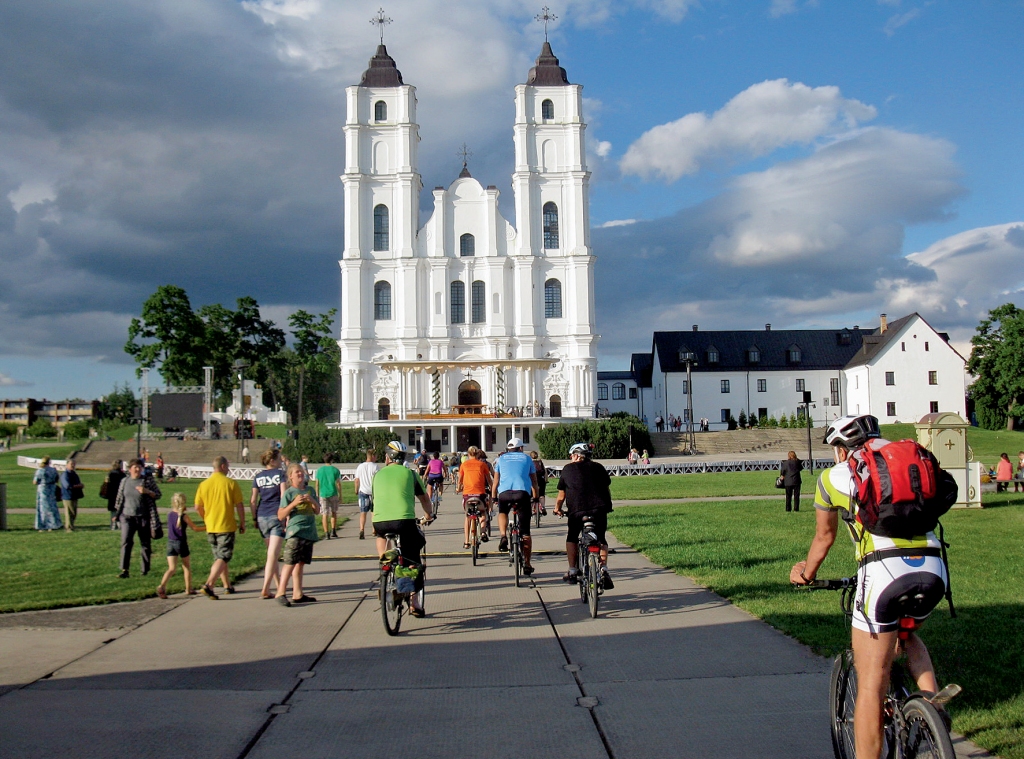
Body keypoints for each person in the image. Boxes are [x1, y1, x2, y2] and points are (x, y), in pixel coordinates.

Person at [790, 414, 950, 759]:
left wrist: (806, 573)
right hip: (935, 568)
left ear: (839, 448)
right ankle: (934, 711)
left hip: (883, 574)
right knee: (906, 636)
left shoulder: (834, 476)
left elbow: (824, 537)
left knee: (872, 680)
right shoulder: (908, 462)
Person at [372, 441, 433, 617]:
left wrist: (374, 525)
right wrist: (428, 516)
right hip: (404, 522)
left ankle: (384, 563)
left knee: (381, 535)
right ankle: (415, 603)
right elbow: (424, 500)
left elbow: (375, 503)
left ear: (387, 457)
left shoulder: (378, 475)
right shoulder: (410, 474)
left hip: (380, 522)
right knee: (413, 557)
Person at [554, 442, 614, 589]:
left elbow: (562, 495)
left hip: (577, 511)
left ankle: (573, 570)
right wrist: (607, 505)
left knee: (572, 537)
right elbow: (606, 488)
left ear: (575, 455)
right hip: (599, 509)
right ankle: (604, 569)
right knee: (601, 538)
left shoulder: (567, 469)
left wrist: (557, 509)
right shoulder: (598, 467)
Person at [194, 456, 245, 599]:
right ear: (222, 466)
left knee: (219, 557)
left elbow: (198, 506)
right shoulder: (230, 483)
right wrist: (242, 522)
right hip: (226, 525)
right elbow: (239, 505)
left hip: (211, 526)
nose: (228, 469)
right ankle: (209, 585)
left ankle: (227, 585)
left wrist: (206, 518)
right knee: (224, 556)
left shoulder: (204, 484)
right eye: (227, 466)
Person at [275, 463, 321, 607]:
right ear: (291, 476)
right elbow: (281, 515)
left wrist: (312, 500)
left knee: (300, 563)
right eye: (297, 473)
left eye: (301, 472)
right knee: (290, 562)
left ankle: (298, 593)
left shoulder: (310, 490)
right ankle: (280, 592)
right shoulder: (289, 493)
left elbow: (317, 510)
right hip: (295, 531)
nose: (300, 474)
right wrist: (294, 503)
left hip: (309, 532)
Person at [491, 437, 538, 575]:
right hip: (522, 493)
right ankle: (528, 564)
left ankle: (503, 535)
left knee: (503, 512)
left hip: (504, 493)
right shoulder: (527, 458)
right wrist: (535, 497)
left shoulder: (501, 459)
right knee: (526, 533)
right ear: (521, 448)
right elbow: (534, 481)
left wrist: (494, 496)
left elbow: (496, 481)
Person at [114, 458, 162, 578]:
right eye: (135, 467)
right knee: (126, 542)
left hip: (143, 517)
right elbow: (120, 499)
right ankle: (124, 570)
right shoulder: (125, 481)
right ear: (130, 469)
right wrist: (117, 514)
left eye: (139, 467)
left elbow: (158, 495)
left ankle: (145, 570)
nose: (137, 469)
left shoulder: (146, 481)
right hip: (127, 516)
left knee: (145, 543)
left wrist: (147, 491)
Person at [157, 493, 206, 598]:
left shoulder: (169, 515)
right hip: (181, 543)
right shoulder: (184, 516)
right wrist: (207, 527)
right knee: (186, 566)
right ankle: (188, 589)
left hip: (170, 543)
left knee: (171, 568)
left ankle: (162, 586)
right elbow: (195, 528)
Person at [251, 449, 285, 599]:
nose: (281, 462)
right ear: (272, 461)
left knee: (273, 554)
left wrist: (254, 518)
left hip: (261, 515)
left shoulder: (258, 477)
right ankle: (265, 588)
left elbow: (253, 500)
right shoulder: (280, 474)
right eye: (278, 459)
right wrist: (285, 514)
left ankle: (278, 586)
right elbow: (283, 495)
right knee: (272, 554)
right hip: (276, 514)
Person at [458, 445, 492, 548]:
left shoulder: (464, 465)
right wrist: (491, 488)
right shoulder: (482, 464)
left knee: (467, 516)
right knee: (483, 512)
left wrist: (458, 488)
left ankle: (466, 541)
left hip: (467, 495)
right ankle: (482, 532)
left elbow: (460, 481)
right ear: (477, 454)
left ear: (468, 454)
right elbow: (489, 480)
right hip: (480, 494)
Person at [314, 452, 342, 539]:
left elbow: (317, 484)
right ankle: (333, 530)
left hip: (323, 493)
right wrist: (340, 495)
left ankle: (326, 533)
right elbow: (338, 484)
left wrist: (317, 494)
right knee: (334, 512)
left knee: (324, 514)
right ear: (332, 460)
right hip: (333, 492)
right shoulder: (335, 470)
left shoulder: (319, 470)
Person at [354, 448, 379, 540]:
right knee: (373, 512)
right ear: (372, 456)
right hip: (373, 492)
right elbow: (377, 479)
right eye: (375, 456)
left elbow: (357, 480)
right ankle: (374, 530)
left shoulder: (360, 466)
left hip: (363, 491)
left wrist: (356, 489)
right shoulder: (375, 467)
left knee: (363, 512)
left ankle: (362, 529)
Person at [33, 456, 62, 531]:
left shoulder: (40, 471)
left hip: (43, 489)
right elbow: (57, 479)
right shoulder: (53, 470)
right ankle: (53, 524)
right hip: (52, 488)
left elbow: (35, 482)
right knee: (52, 506)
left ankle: (43, 525)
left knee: (43, 508)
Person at [59, 458, 84, 531]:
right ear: (67, 465)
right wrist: (78, 486)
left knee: (74, 512)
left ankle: (71, 526)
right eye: (71, 464)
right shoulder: (65, 474)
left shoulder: (74, 474)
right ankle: (68, 527)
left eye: (74, 464)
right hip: (68, 496)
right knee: (69, 512)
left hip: (74, 495)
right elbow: (67, 485)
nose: (73, 465)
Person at [104, 459, 126, 530]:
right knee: (120, 511)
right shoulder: (121, 474)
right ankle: (119, 526)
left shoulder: (110, 474)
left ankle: (113, 526)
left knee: (113, 512)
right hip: (119, 495)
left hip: (112, 495)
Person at [530, 450, 548, 516]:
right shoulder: (540, 462)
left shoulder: (529, 463)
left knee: (531, 495)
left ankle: (530, 509)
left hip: (532, 480)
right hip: (541, 480)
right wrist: (546, 480)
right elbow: (544, 472)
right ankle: (543, 507)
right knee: (542, 495)